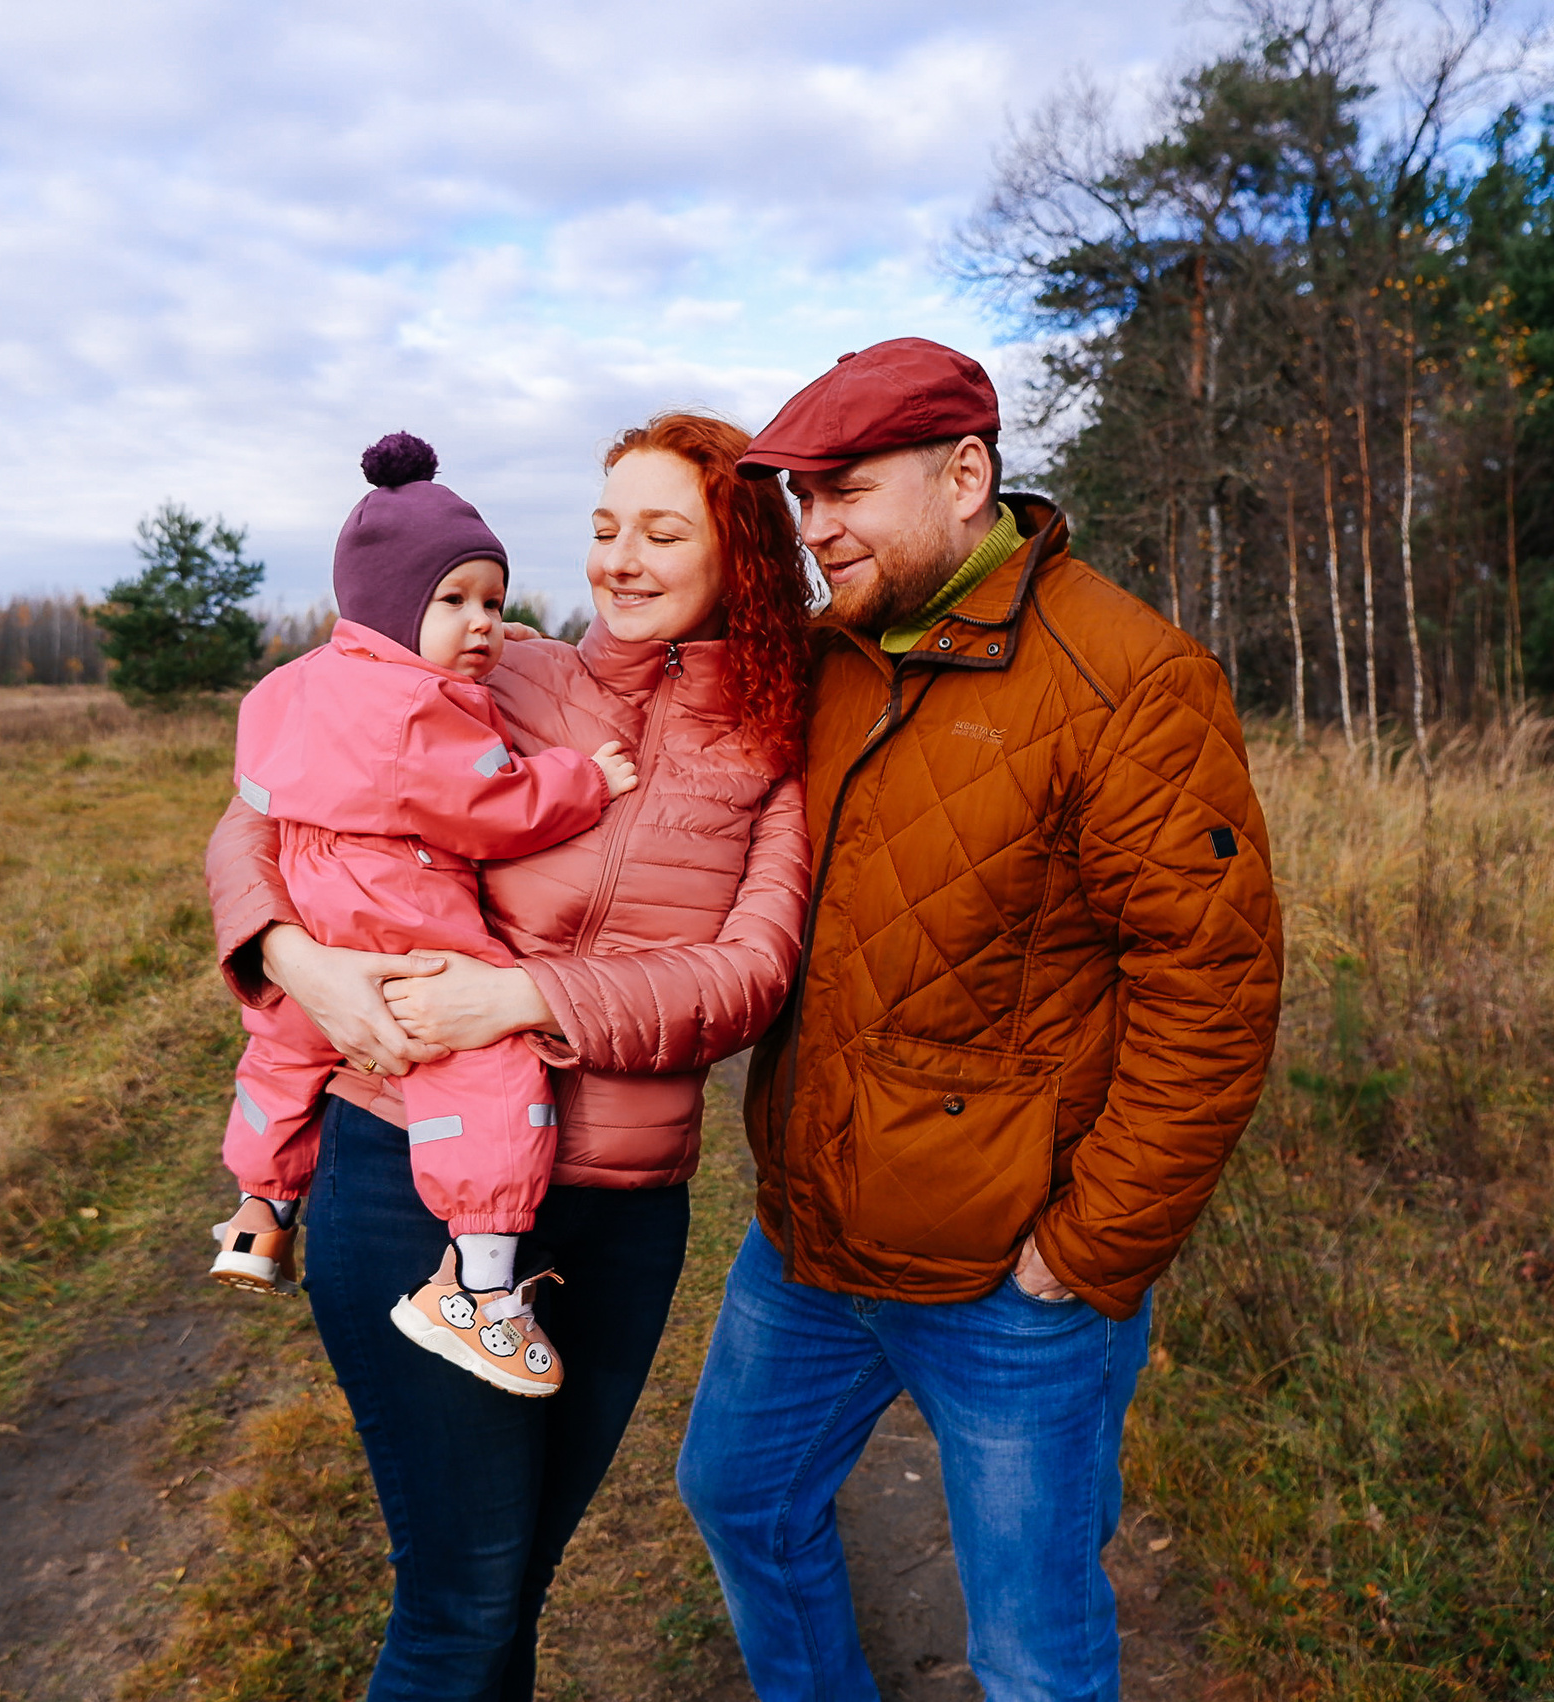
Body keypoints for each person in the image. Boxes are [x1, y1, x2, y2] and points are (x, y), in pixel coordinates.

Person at [674, 337, 1284, 1702]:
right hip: (809, 1236)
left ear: (964, 477)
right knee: (739, 1493)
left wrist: (1089, 1246)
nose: (814, 526)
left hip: (1007, 1284)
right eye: (801, 497)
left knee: (1031, 1650)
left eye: (844, 490)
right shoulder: (831, 655)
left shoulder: (1128, 678)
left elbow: (1213, 990)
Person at [203, 411, 814, 1699]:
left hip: (620, 1217)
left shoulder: (772, 743)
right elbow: (263, 815)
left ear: (740, 555)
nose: (618, 560)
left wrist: (517, 998)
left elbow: (749, 977)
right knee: (462, 1602)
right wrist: (296, 959)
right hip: (406, 1168)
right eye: (603, 528)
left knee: (513, 1584)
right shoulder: (503, 673)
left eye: (661, 532)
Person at [207, 432, 640, 1398]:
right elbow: (490, 805)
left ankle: (259, 1212)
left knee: (283, 1054)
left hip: (308, 895)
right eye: (453, 602)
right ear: (393, 608)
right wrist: (582, 778)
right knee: (487, 1064)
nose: (482, 623)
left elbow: (257, 794)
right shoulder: (420, 710)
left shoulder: (298, 685)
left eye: (493, 601)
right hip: (393, 904)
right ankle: (478, 1288)